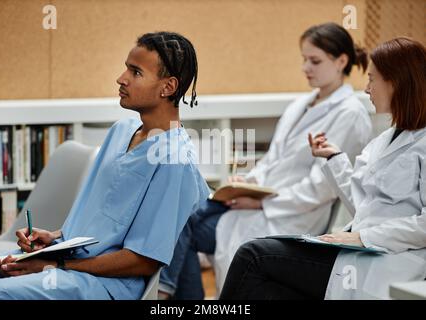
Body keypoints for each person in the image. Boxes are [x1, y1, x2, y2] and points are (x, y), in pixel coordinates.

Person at [0, 31, 210, 300]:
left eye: (135, 72)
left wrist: (55, 264)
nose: (121, 78)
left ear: (168, 87)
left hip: (108, 283)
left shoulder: (175, 160)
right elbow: (102, 220)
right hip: (66, 261)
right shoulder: (122, 130)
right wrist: (52, 239)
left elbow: (145, 260)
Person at [159, 22, 373, 299]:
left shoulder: (350, 114)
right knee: (181, 211)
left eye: (315, 61)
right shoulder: (301, 105)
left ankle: (166, 294)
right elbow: (272, 160)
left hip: (288, 216)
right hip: (257, 204)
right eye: (304, 59)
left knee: (180, 227)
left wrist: (262, 201)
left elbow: (322, 188)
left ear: (341, 61)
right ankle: (171, 294)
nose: (306, 68)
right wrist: (247, 183)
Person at [220, 37, 426, 300]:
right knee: (267, 288)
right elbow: (364, 206)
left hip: (389, 261)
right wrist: (335, 160)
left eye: (373, 79)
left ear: (396, 82)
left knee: (253, 256)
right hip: (356, 252)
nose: (366, 89)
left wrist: (365, 237)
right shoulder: (385, 140)